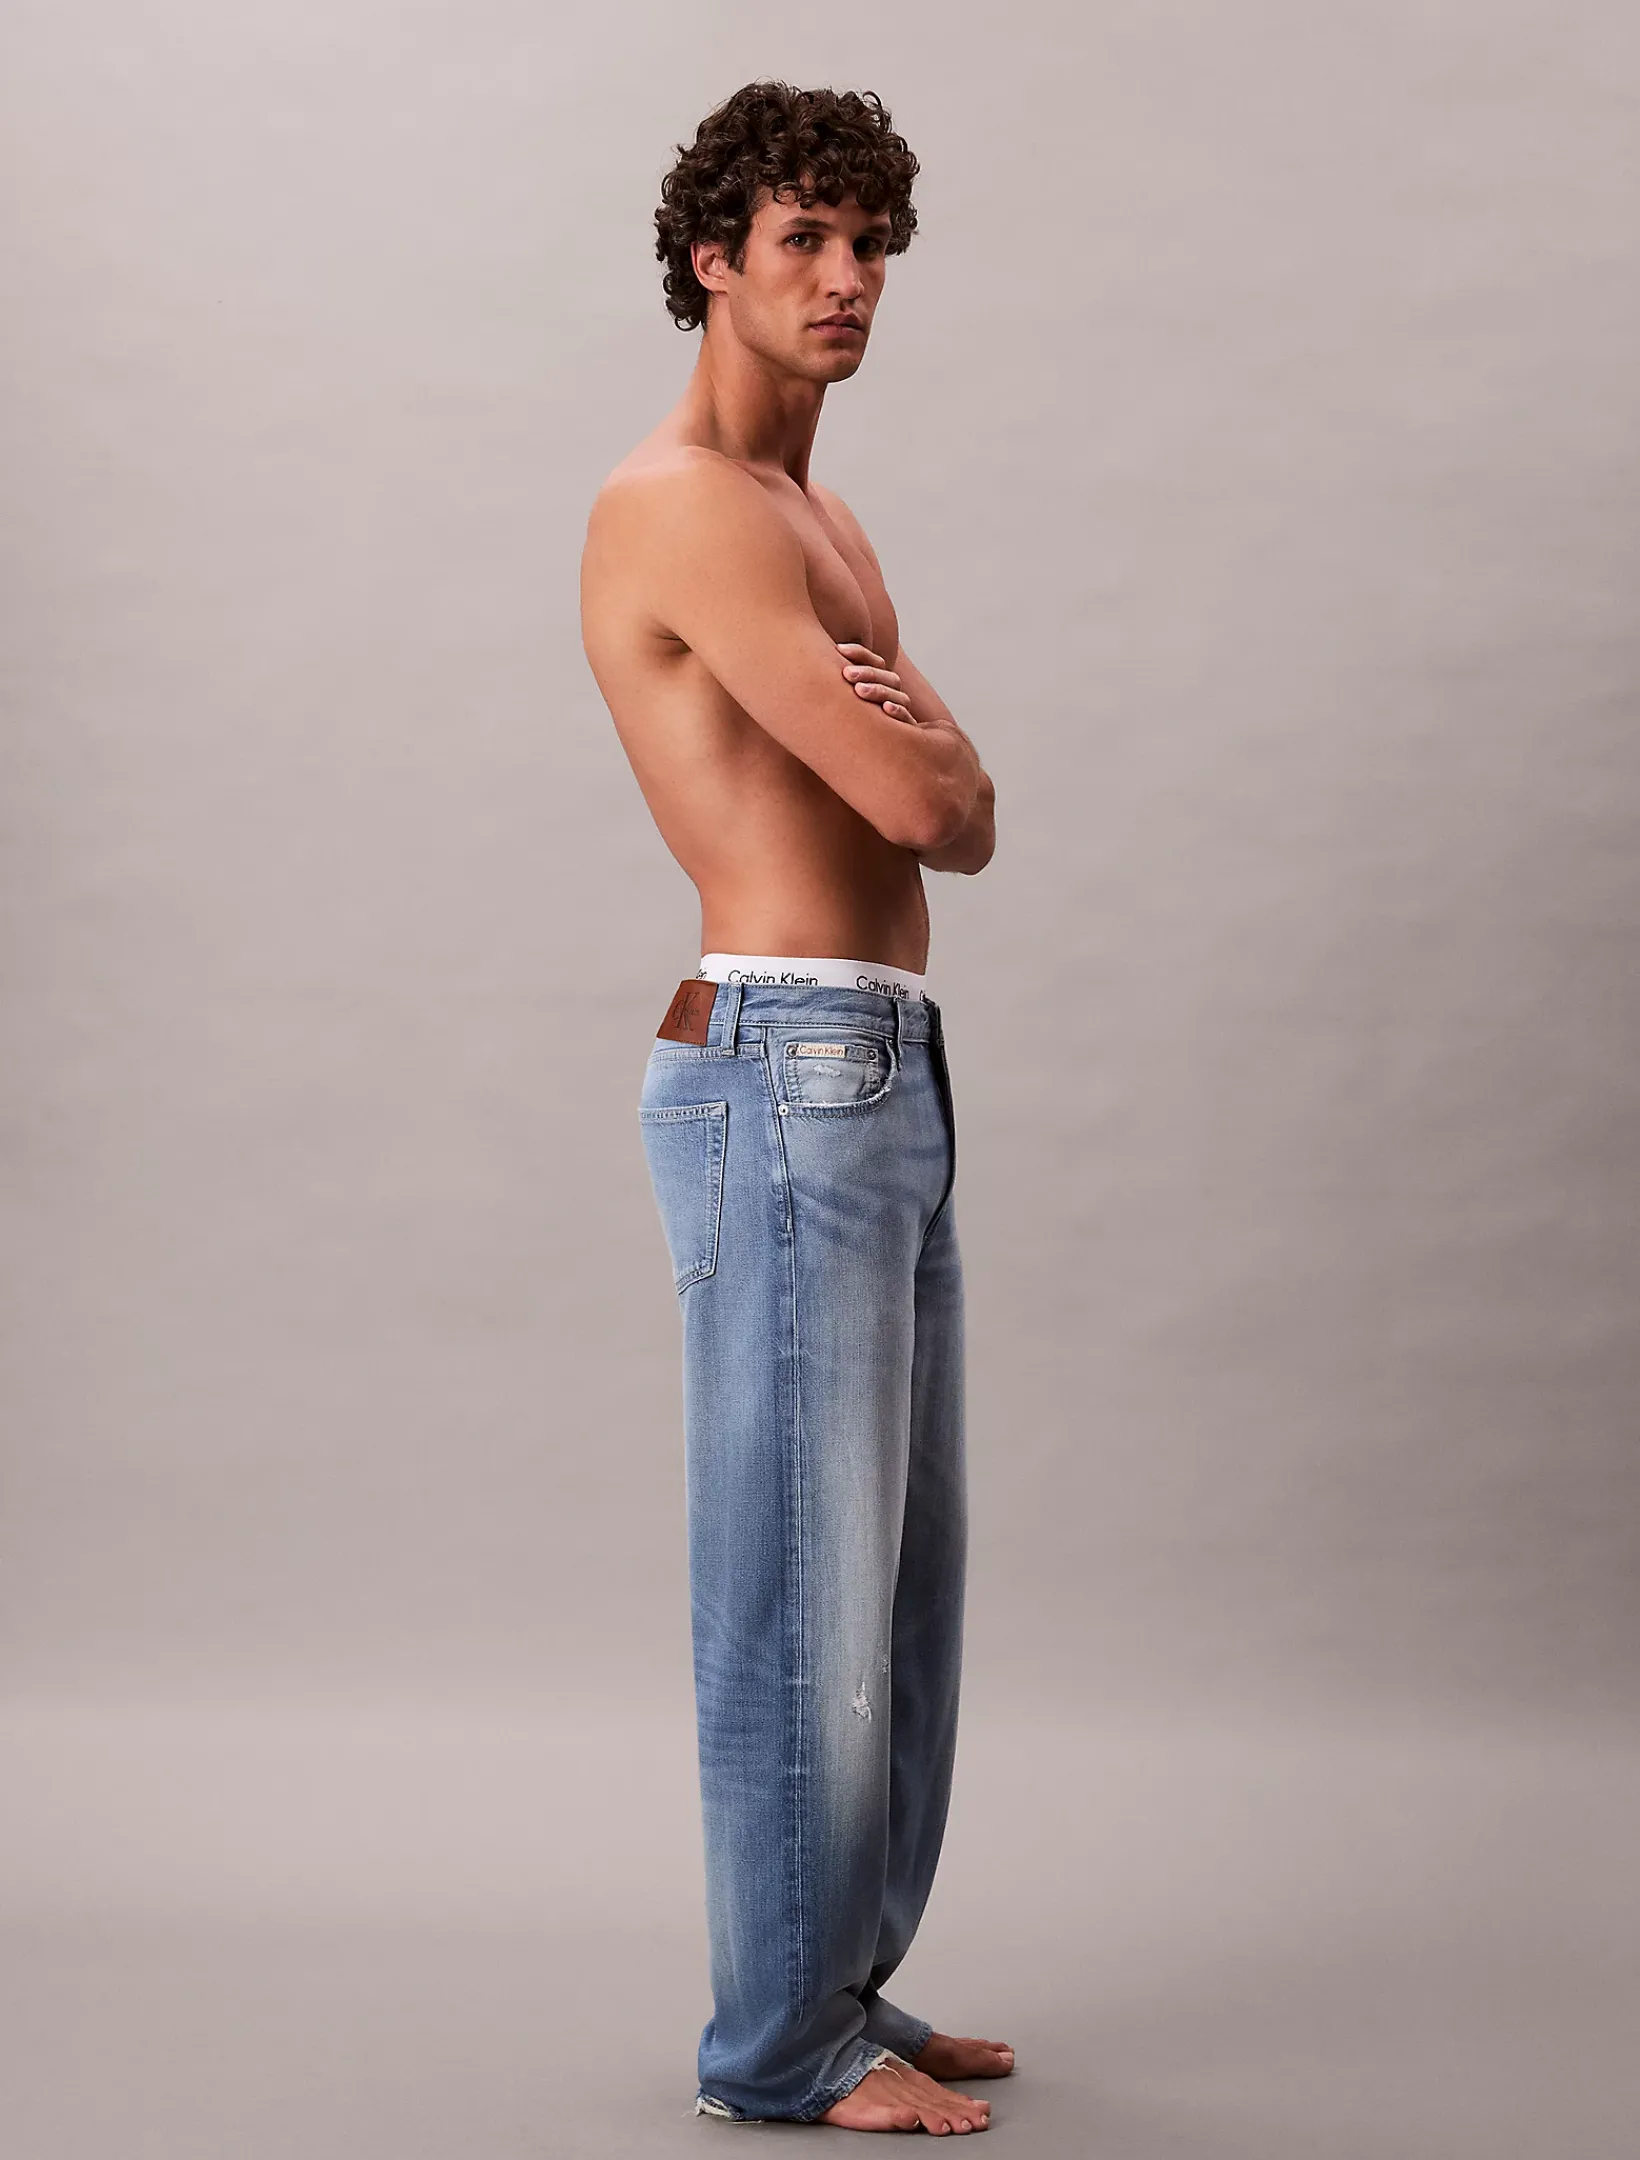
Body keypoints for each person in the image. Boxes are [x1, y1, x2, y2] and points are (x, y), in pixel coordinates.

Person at [579, 80, 1006, 2133]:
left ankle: (847, 1988)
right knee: (797, 1586)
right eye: (806, 243)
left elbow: (965, 819)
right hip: (784, 1065)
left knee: (897, 1589)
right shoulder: (685, 507)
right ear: (712, 262)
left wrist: (937, 760)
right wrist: (926, 746)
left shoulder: (825, 522)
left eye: (872, 247)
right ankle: (777, 2047)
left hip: (881, 1061)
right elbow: (925, 795)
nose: (848, 282)